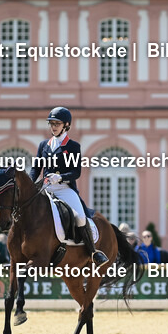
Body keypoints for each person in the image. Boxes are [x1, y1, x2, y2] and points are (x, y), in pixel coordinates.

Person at [29, 106, 105, 265]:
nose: (53, 127)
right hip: (45, 188)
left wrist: (61, 177)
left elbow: (76, 172)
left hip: (64, 188)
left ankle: (93, 252)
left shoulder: (73, 146)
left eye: (57, 123)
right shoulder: (44, 145)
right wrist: (30, 184)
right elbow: (36, 169)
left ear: (66, 125)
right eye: (51, 123)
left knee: (80, 217)